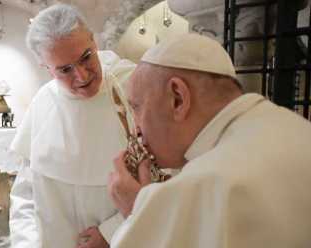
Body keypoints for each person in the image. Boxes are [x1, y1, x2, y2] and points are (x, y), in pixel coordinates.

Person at [108, 33, 311, 248]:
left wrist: (139, 213)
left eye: (137, 107)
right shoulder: (297, 127)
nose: (137, 129)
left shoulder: (206, 184)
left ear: (178, 98)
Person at [9, 4, 136, 248]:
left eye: (86, 57)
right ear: (46, 68)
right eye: (65, 69)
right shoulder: (43, 103)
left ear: (94, 41)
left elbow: (165, 177)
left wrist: (113, 233)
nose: (82, 75)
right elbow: (25, 196)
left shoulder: (132, 87)